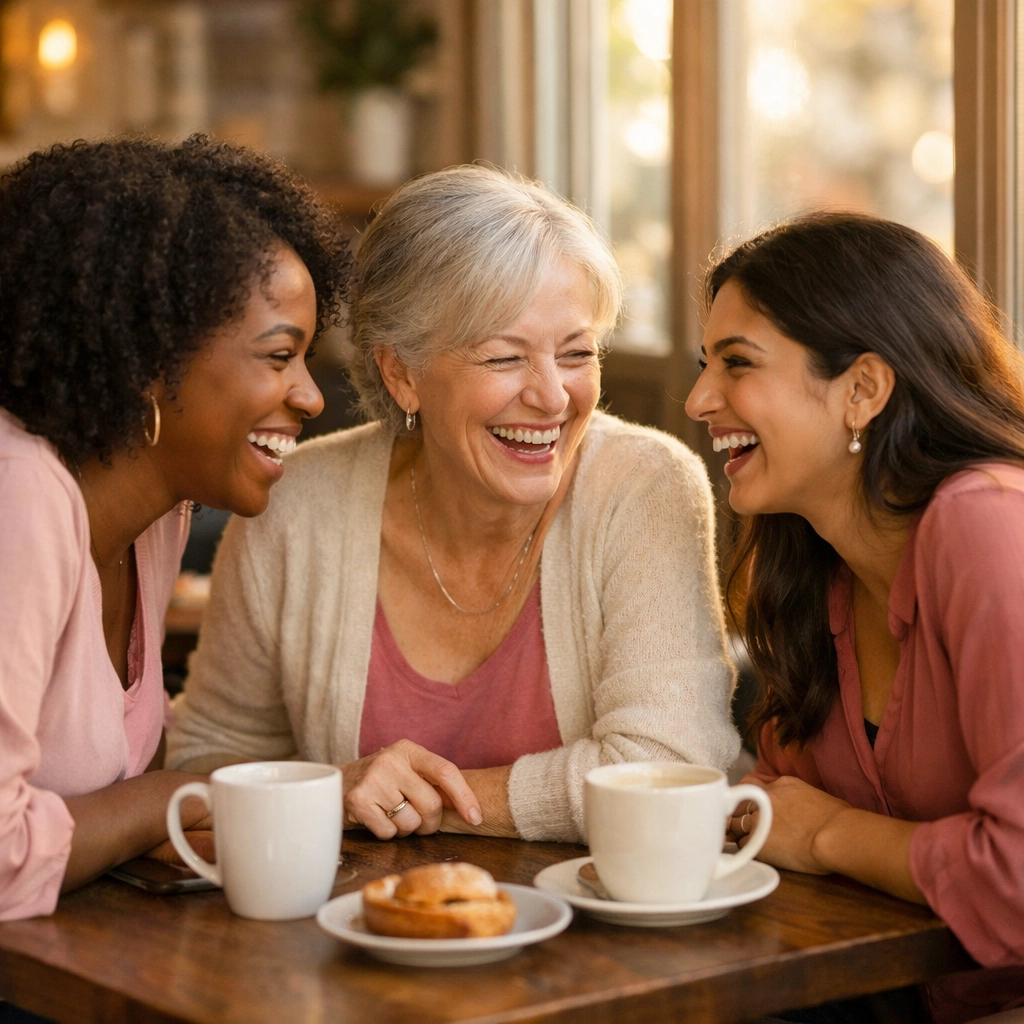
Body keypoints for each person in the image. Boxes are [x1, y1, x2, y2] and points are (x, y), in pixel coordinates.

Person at [167, 164, 740, 843]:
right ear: (401, 373)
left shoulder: (643, 486)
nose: (553, 397)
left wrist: (427, 802)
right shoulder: (296, 505)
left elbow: (671, 766)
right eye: (504, 358)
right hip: (353, 911)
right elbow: (209, 756)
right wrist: (336, 789)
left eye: (577, 353)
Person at [0, 135, 350, 921]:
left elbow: (117, 794)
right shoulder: (19, 494)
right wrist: (178, 797)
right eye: (280, 356)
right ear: (150, 362)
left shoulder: (156, 514)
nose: (310, 396)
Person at [686, 212, 1024, 1023]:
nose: (698, 399)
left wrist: (828, 835)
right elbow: (778, 801)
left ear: (863, 390)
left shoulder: (987, 528)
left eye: (738, 363)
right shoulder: (817, 566)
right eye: (705, 365)